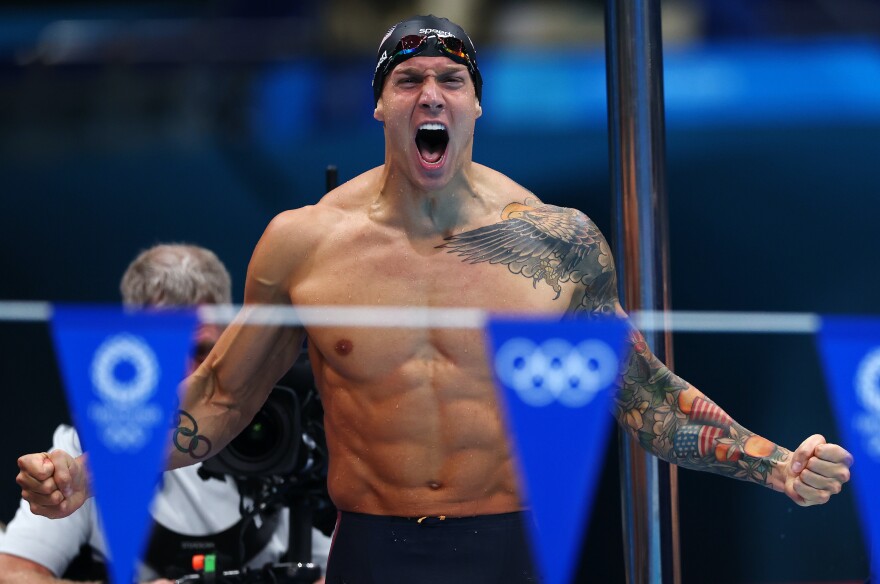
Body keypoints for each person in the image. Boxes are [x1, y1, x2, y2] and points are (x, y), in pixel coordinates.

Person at [17, 16, 853, 584]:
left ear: (476, 103)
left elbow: (645, 399)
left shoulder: (554, 241)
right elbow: (220, 399)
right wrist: (94, 468)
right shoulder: (303, 243)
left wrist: (777, 464)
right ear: (380, 102)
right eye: (409, 79)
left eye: (450, 79)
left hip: (508, 547)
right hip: (371, 549)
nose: (431, 95)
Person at [3, 244, 330, 583]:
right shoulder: (86, 448)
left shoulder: (284, 436)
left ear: (232, 345)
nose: (191, 373)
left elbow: (343, 570)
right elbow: (13, 573)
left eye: (204, 350)